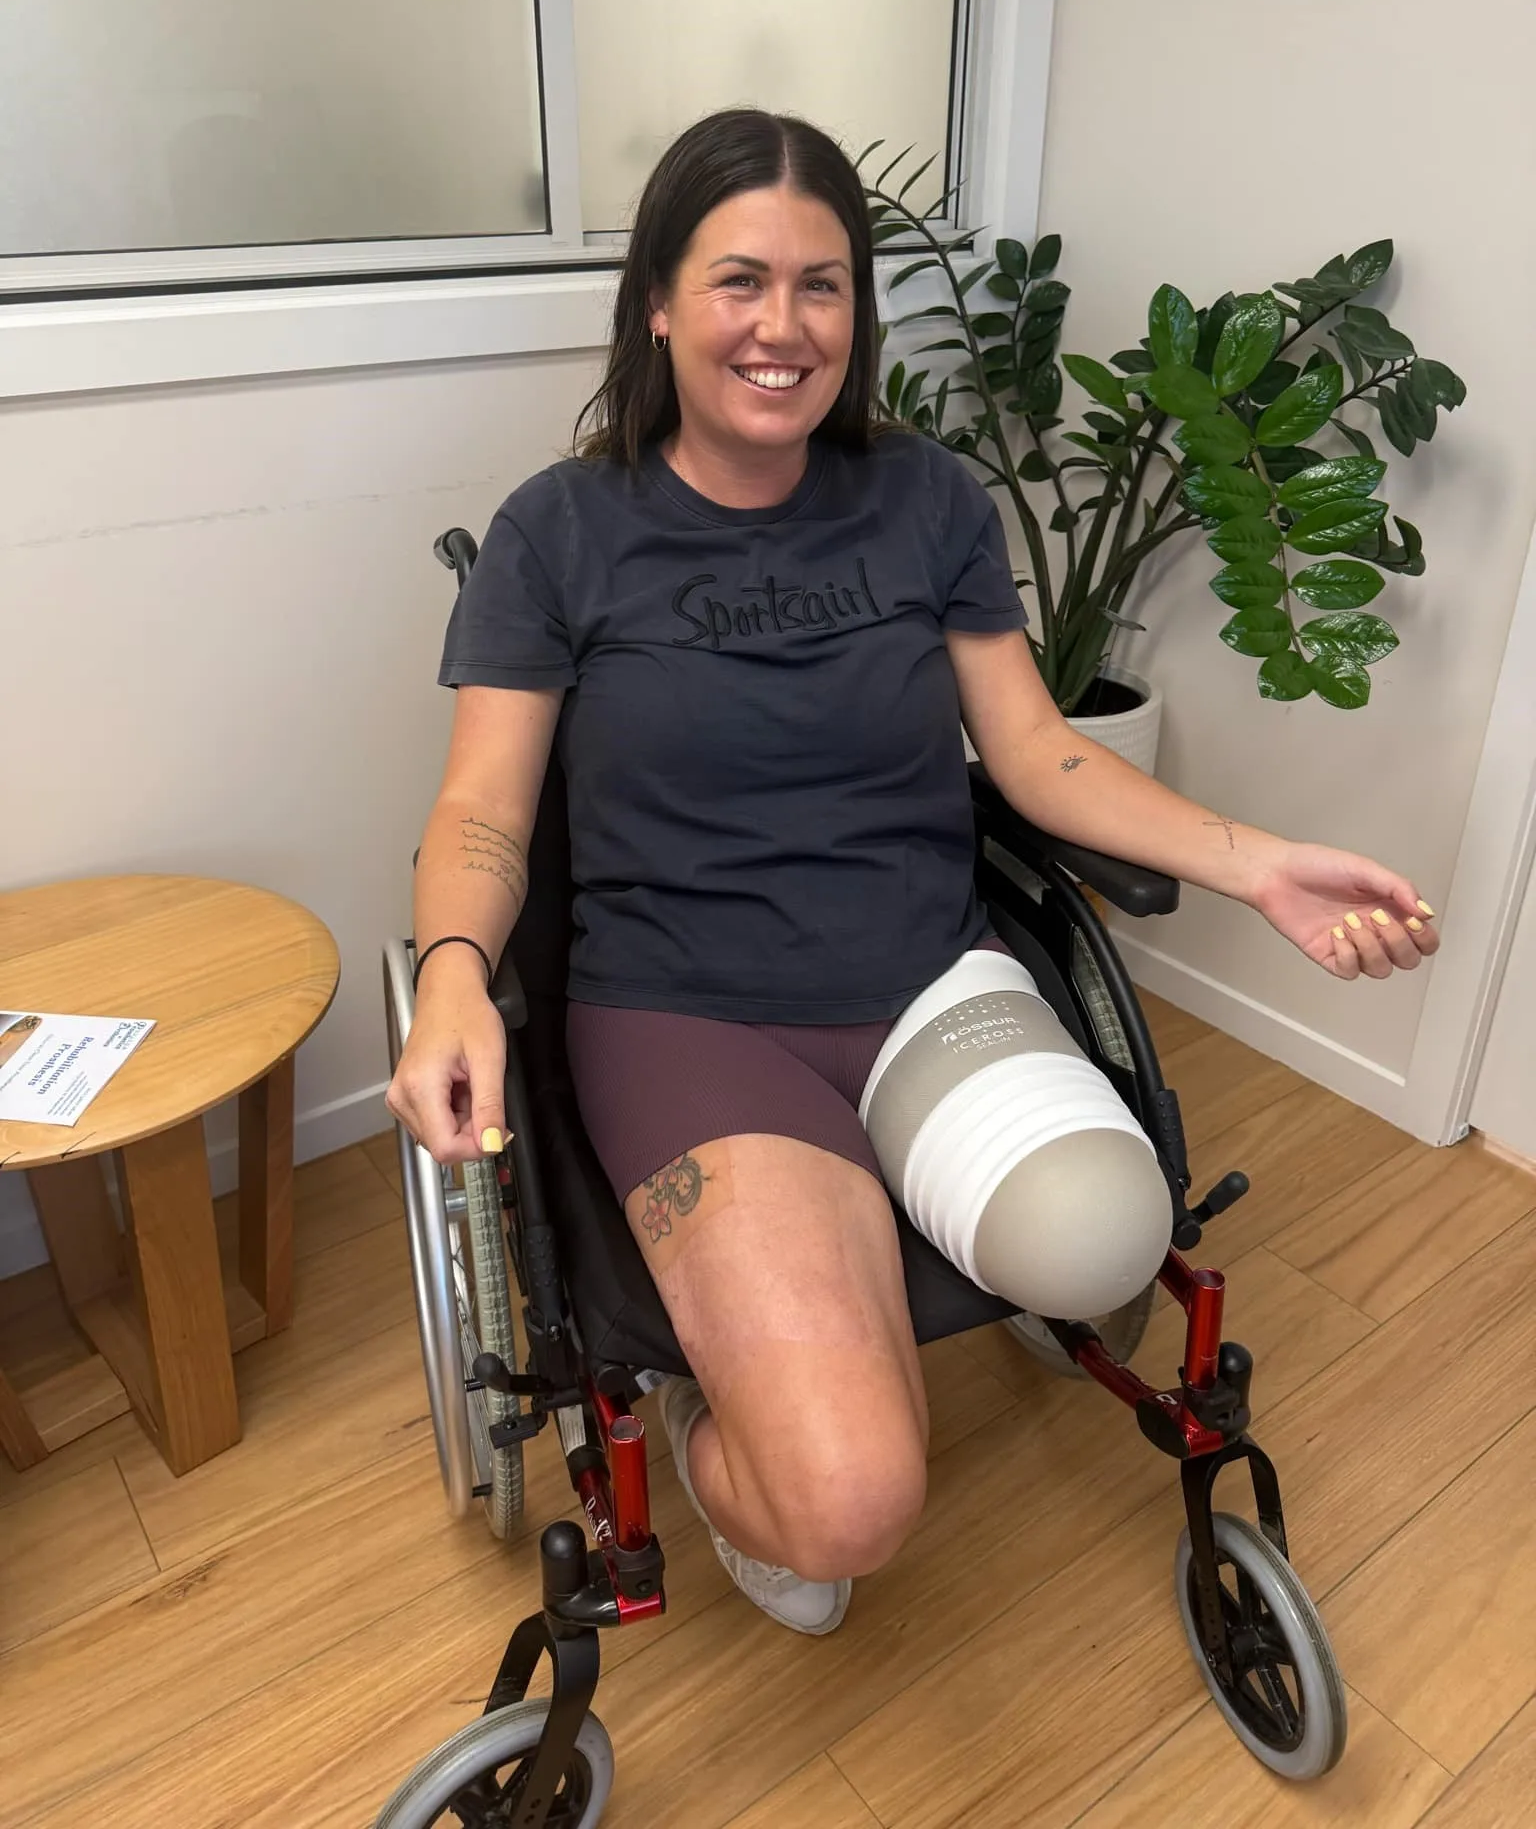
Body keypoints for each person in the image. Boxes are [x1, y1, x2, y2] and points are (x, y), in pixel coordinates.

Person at [386, 108, 1440, 1637]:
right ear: (661, 302)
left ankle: (830, 1271)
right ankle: (705, 1424)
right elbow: (484, 807)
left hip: (925, 981)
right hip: (690, 1023)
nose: (785, 325)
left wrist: (1260, 866)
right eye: (740, 279)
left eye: (825, 286)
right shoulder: (562, 534)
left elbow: (1036, 755)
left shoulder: (926, 499)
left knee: (1105, 1242)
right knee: (844, 1512)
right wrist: (451, 977)